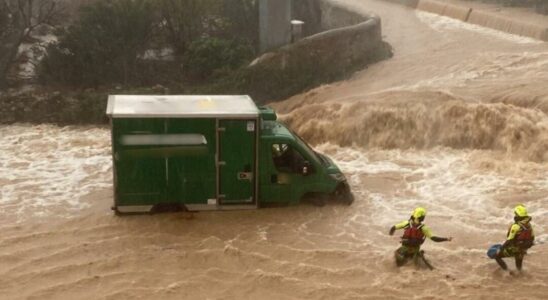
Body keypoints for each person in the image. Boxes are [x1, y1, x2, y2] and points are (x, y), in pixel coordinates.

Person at [494, 204, 535, 272]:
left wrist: (501, 249)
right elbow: (532, 237)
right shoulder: (529, 225)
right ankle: (520, 276)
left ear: (518, 216)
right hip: (523, 249)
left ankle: (507, 271)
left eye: (515, 214)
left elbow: (509, 240)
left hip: (515, 248)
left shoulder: (515, 226)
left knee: (497, 256)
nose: (515, 216)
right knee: (519, 266)